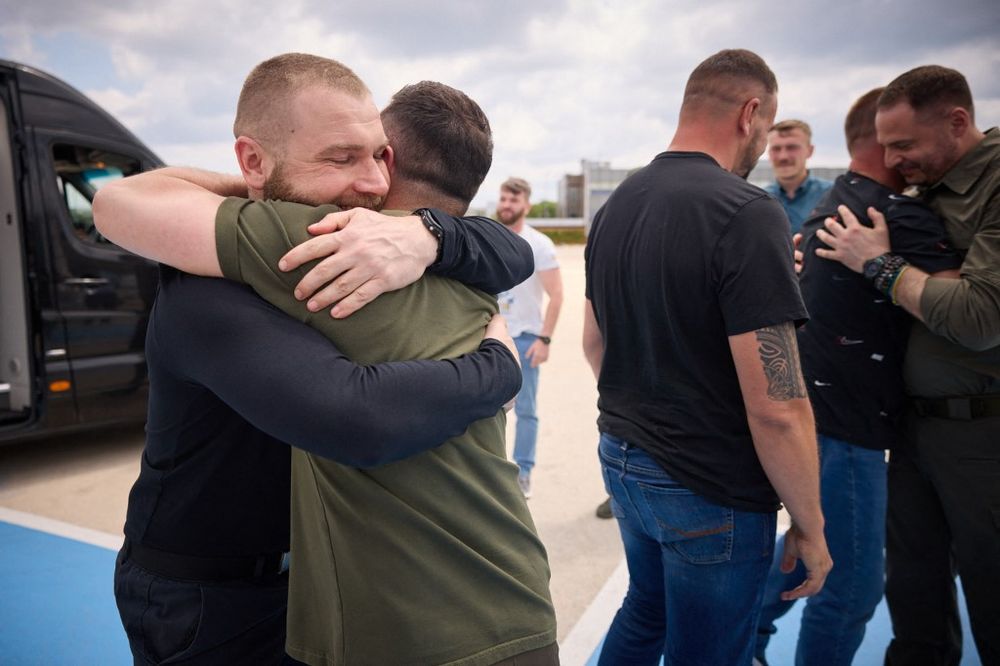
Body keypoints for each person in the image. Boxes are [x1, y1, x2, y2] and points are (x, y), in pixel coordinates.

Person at [99, 67, 558, 664]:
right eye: (342, 158)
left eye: (380, 156)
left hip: (311, 587)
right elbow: (354, 414)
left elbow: (511, 249)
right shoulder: (214, 278)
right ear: (254, 162)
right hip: (209, 593)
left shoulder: (376, 249)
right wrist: (498, 366)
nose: (371, 183)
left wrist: (431, 234)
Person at [582, 48, 831, 665]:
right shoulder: (746, 211)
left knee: (646, 612)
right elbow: (778, 407)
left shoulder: (617, 205)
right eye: (767, 130)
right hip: (707, 484)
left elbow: (595, 341)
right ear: (750, 113)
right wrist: (811, 524)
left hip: (624, 457)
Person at [753, 88, 962, 666]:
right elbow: (971, 314)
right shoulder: (894, 217)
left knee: (814, 545)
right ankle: (743, 636)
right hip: (849, 427)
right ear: (884, 141)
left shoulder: (830, 205)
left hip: (824, 412)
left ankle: (744, 636)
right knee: (851, 588)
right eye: (904, 142)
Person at [814, 65, 999, 666]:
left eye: (903, 145)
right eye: (885, 147)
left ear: (957, 121)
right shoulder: (925, 183)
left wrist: (880, 266)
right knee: (915, 598)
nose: (892, 160)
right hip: (915, 429)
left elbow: (980, 317)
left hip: (982, 431)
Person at [496, 177, 564, 498]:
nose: (507, 205)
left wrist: (545, 339)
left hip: (525, 339)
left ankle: (523, 473)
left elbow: (557, 295)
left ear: (527, 205)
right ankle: (494, 475)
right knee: (485, 411)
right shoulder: (490, 237)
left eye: (514, 200)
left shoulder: (539, 244)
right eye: (504, 199)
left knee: (526, 411)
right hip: (491, 338)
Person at [764, 119, 833, 233]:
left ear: (810, 151)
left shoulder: (832, 195)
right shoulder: (760, 199)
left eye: (792, 147)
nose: (783, 156)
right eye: (776, 149)